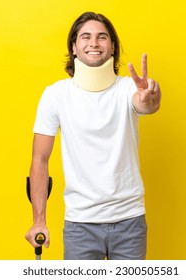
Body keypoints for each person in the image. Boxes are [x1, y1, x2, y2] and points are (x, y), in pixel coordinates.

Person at [25, 11, 161, 260]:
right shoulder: (56, 95)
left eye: (102, 37)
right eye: (85, 37)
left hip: (129, 219)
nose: (94, 43)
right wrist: (38, 220)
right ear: (74, 47)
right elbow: (39, 160)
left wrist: (151, 97)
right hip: (81, 223)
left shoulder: (129, 89)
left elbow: (146, 105)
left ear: (112, 48)